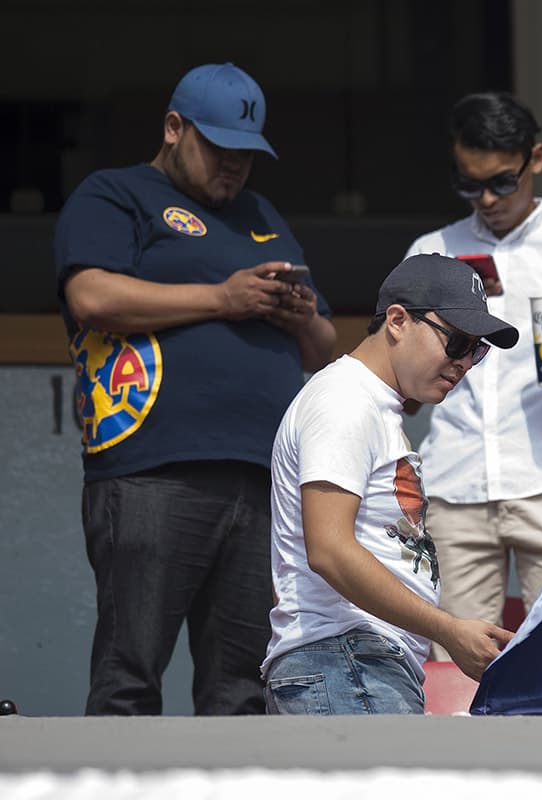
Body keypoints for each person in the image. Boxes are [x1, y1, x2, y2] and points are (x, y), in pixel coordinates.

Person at [53, 62, 337, 715]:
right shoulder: (115, 193)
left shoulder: (260, 214)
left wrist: (300, 317)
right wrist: (222, 298)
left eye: (247, 154)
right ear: (174, 128)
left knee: (242, 689)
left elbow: (322, 348)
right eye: (219, 147)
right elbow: (90, 295)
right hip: (155, 469)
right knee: (130, 674)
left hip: (262, 476)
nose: (234, 165)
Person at [404, 91, 542, 656]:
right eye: (469, 184)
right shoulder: (432, 252)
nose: (486, 199)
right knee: (456, 664)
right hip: (454, 483)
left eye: (502, 182)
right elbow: (402, 385)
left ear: (536, 159)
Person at [262, 254, 519, 714]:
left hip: (355, 662)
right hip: (345, 658)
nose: (465, 363)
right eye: (458, 342)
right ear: (398, 321)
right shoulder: (345, 400)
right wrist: (448, 630)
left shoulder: (370, 405)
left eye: (476, 351)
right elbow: (330, 550)